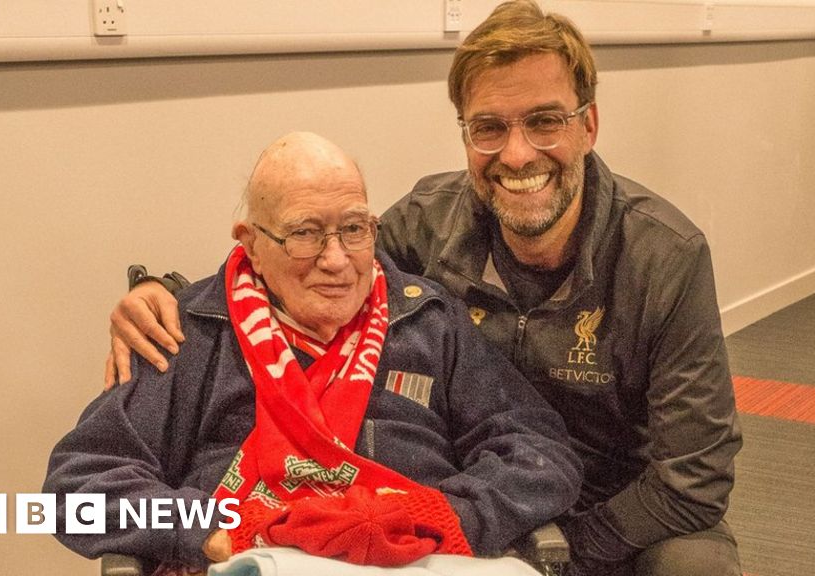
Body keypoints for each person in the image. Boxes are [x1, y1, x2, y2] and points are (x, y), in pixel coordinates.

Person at [104, 2, 744, 574]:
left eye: (545, 121)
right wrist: (171, 294)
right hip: (303, 540)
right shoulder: (203, 332)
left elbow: (690, 479)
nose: (517, 155)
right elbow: (75, 495)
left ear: (588, 126)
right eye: (489, 128)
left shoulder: (661, 258)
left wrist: (507, 539)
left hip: (605, 505)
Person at [46, 131, 582, 574]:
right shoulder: (186, 331)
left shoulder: (428, 320)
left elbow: (541, 453)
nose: (336, 259)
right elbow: (74, 493)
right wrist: (211, 529)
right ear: (251, 243)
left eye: (353, 229)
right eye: (305, 233)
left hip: (415, 558)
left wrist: (442, 514)